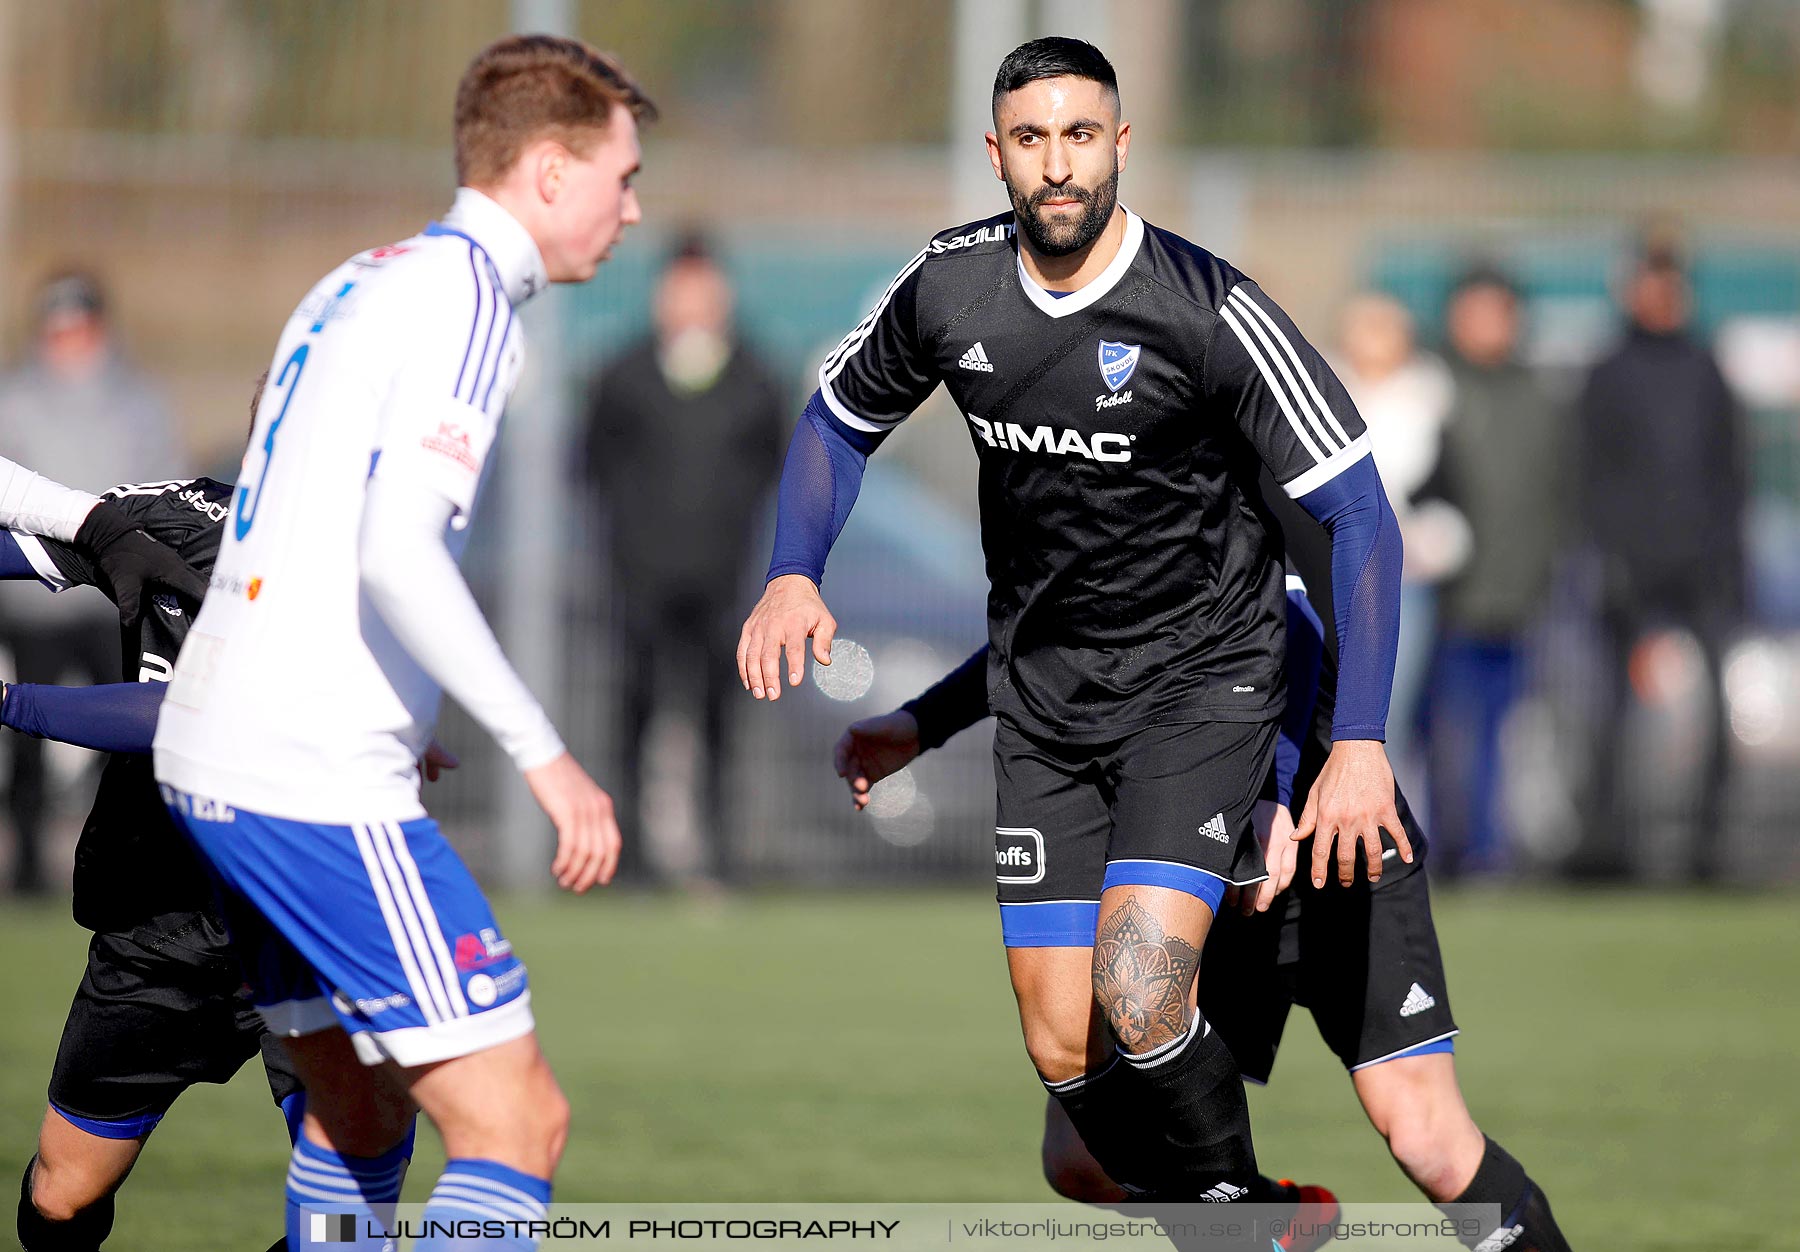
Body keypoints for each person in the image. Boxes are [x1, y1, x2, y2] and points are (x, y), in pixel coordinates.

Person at [738, 36, 1408, 1217]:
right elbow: (837, 423)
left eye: (1082, 136)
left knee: (1143, 984)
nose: (1060, 167)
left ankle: (1237, 1226)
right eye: (1034, 140)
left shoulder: (1209, 310)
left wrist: (1356, 739)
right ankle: (1248, 1215)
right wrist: (798, 571)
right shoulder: (949, 287)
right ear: (996, 153)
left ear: (1121, 145)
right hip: (1046, 711)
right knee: (1062, 1046)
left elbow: (1359, 511)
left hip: (1205, 685)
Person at [151, 35, 651, 1250]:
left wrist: (404, 702)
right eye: (622, 177)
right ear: (546, 172)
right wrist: (545, 754)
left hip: (217, 750)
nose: (634, 210)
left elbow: (301, 524)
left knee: (359, 1108)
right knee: (516, 1126)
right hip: (307, 772)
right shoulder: (475, 303)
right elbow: (395, 548)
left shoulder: (360, 278)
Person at [834, 574, 1575, 1252]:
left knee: (1427, 1140)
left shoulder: (1208, 478)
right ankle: (1269, 1218)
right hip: (1208, 869)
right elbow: (1043, 644)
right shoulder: (1079, 497)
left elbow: (1292, 617)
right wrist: (920, 723)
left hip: (1332, 844)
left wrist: (1275, 794)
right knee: (1078, 1160)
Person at [0, 432, 432, 1252]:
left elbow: (192, 714)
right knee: (60, 1196)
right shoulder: (176, 514)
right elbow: (28, 539)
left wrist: (11, 702)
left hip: (318, 928)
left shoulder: (381, 579)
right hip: (161, 919)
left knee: (346, 1230)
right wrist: (99, 531)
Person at [582, 234, 786, 884]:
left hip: (726, 587)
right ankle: (630, 864)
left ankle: (722, 860)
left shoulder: (756, 379)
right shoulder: (622, 376)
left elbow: (777, 470)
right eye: (681, 288)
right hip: (639, 586)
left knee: (722, 723)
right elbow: (588, 467)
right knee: (633, 717)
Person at [0, 272, 184, 895]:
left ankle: (129, 865)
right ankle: (26, 872)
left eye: (78, 327)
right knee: (24, 732)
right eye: (57, 328)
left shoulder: (140, 401)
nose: (68, 342)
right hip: (32, 601)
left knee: (131, 731)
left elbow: (164, 495)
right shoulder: (13, 397)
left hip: (115, 594)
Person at [1575, 241, 1744, 882]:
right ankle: (1608, 845)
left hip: (1703, 567)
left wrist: (1732, 558)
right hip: (1631, 568)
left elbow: (1732, 472)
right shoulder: (1608, 370)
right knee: (1609, 708)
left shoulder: (1707, 369)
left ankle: (1712, 844)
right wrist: (1606, 558)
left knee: (1720, 707)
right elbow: (1590, 475)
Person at [1422, 268, 1566, 878]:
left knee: (1504, 735)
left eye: (1496, 311)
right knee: (1434, 731)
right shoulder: (1432, 386)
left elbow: (1560, 495)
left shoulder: (1539, 396)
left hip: (1520, 597)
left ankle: (1488, 850)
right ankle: (1431, 845)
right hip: (1441, 598)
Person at [1332, 293, 1458, 784]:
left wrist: (1430, 541)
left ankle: (1392, 835)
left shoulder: (1428, 398)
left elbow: (1448, 492)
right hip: (1336, 569)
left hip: (1403, 576)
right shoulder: (1327, 388)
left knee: (1390, 713)